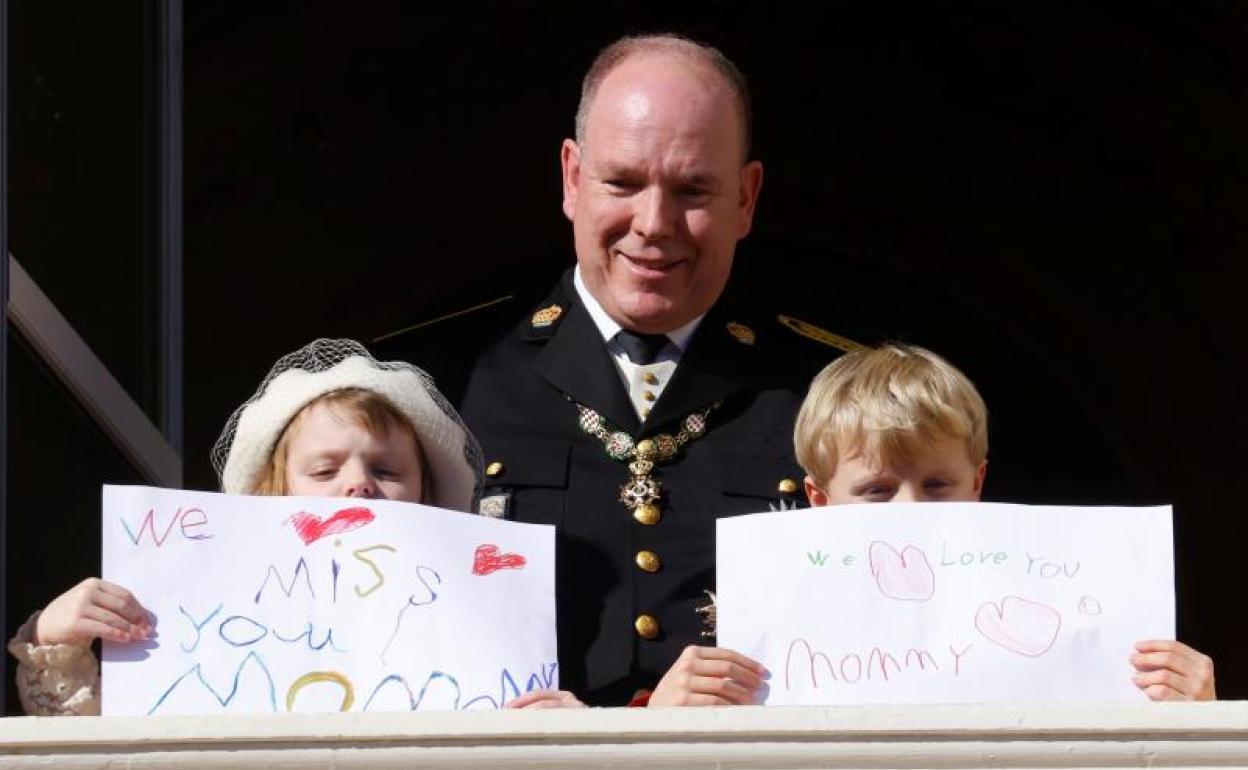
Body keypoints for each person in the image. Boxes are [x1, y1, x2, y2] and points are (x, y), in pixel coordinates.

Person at [416, 34, 850, 707]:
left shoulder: (830, 393)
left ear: (746, 197)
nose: (654, 223)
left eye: (693, 189)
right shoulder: (437, 383)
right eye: (623, 182)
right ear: (572, 178)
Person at [7, 338, 488, 715]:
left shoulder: (471, 619)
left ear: (427, 496)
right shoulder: (204, 608)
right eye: (324, 471)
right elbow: (101, 737)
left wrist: (551, 723)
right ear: (273, 493)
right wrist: (56, 642)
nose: (358, 485)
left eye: (386, 471)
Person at [784, 342, 1214, 701]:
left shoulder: (1052, 595)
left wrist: (1199, 711)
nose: (910, 509)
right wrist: (717, 709)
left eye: (937, 485)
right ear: (819, 499)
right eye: (877, 490)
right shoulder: (780, 626)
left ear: (976, 481)